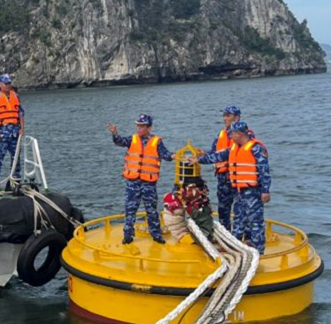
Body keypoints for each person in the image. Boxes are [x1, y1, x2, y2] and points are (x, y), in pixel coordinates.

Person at [189, 121, 271, 254]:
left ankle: (259, 251)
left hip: (252, 192)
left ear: (239, 134)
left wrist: (265, 191)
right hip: (238, 191)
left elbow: (264, 171)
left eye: (232, 134)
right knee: (238, 220)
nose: (230, 136)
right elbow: (218, 156)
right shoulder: (233, 148)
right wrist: (198, 160)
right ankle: (235, 248)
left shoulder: (255, 149)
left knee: (255, 222)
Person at [108, 114, 174, 244]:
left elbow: (165, 154)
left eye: (142, 126)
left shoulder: (157, 142)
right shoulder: (132, 139)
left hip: (148, 183)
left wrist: (173, 155)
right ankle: (128, 235)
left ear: (148, 127)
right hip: (133, 182)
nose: (139, 128)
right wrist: (115, 134)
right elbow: (119, 141)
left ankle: (156, 234)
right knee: (130, 209)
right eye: (138, 125)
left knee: (151, 209)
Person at [203, 105, 254, 231]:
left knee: (241, 209)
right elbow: (214, 151)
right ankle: (225, 234)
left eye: (228, 116)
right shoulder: (221, 134)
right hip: (223, 178)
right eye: (224, 116)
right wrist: (203, 154)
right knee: (223, 209)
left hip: (238, 178)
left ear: (237, 118)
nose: (225, 118)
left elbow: (228, 153)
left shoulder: (247, 135)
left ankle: (246, 237)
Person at [0, 73, 25, 189]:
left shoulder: (15, 96)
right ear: (0, 84)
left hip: (14, 133)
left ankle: (15, 182)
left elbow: (20, 113)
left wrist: (22, 129)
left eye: (9, 83)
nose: (8, 86)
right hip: (2, 132)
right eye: (6, 83)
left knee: (16, 159)